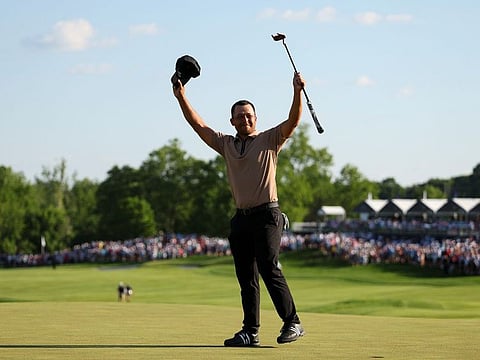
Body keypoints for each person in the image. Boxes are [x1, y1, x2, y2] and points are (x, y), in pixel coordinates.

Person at [172, 71, 306, 346]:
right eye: (239, 116)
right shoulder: (226, 144)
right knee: (246, 277)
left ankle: (292, 322)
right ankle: (250, 331)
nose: (245, 119)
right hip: (241, 219)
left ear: (255, 119)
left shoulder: (269, 139)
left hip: (268, 215)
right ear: (232, 121)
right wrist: (181, 96)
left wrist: (297, 92)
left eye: (249, 115)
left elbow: (292, 122)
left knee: (268, 267)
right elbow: (198, 126)